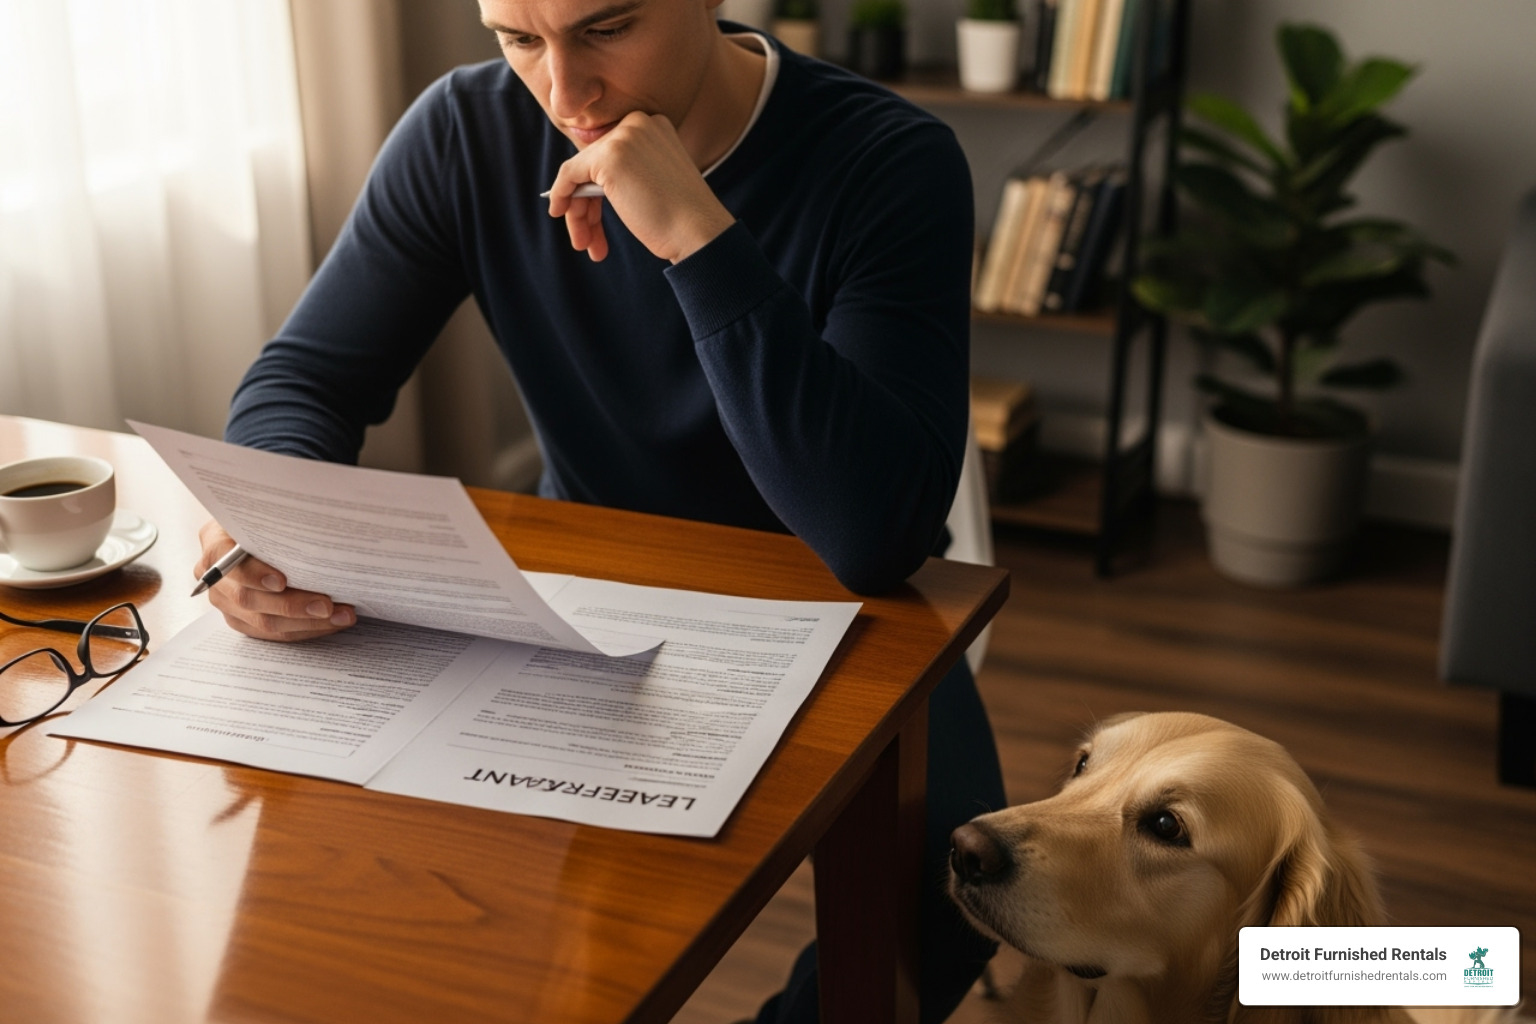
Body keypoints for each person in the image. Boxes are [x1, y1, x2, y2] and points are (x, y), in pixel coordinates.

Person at [195, 0, 1006, 1020]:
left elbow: (870, 532)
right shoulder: (466, 130)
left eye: (608, 27)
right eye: (519, 38)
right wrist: (274, 512)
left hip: (853, 611)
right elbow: (305, 381)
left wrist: (698, 240)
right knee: (440, 889)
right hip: (593, 602)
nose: (564, 93)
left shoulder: (890, 158)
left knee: (956, 891)